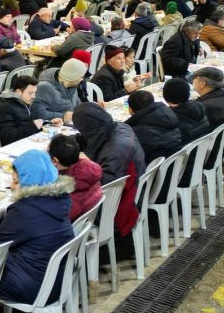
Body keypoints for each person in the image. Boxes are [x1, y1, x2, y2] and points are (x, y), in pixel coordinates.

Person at [0, 149, 75, 304]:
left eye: (16, 181)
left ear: (30, 182)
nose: (11, 186)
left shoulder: (25, 211)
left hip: (33, 287)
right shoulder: (60, 200)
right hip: (58, 280)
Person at [71, 103, 146, 236]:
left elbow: (103, 185)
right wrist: (67, 144)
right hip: (127, 192)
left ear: (88, 128)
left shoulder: (116, 149)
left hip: (117, 208)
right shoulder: (116, 127)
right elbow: (86, 140)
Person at [47, 134, 104, 220]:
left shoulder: (65, 193)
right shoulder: (89, 171)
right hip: (86, 220)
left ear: (55, 161)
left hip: (71, 228)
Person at [0, 75, 61, 145]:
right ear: (18, 92)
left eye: (35, 92)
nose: (34, 96)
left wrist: (49, 123)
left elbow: (27, 124)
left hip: (27, 141)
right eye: (30, 93)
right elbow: (7, 137)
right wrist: (32, 126)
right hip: (14, 147)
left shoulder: (24, 102)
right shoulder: (4, 108)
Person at [125, 90, 182, 164]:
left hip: (156, 170)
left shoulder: (135, 132)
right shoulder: (169, 113)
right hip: (176, 164)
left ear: (130, 109)